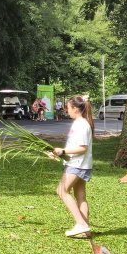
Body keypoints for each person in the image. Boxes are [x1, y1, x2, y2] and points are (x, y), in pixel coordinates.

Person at [46, 95, 94, 238]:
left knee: (61, 190)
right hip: (80, 163)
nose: (66, 110)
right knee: (80, 196)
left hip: (77, 165)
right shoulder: (80, 123)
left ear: (75, 109)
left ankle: (81, 224)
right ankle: (85, 230)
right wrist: (58, 153)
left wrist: (63, 151)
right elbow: (74, 146)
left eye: (68, 108)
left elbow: (82, 148)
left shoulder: (81, 125)